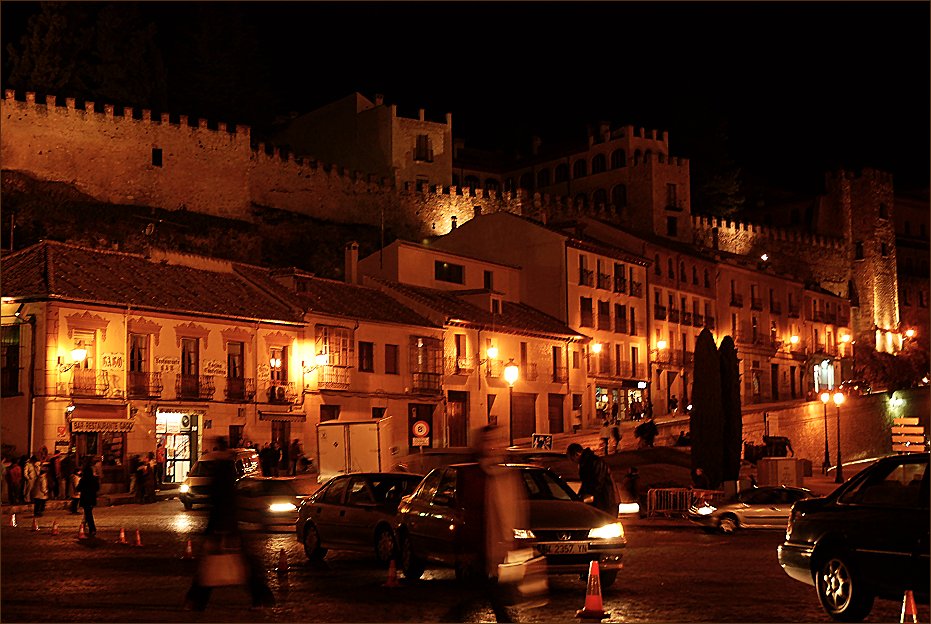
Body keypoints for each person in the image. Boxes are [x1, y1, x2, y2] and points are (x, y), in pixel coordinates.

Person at [184, 438, 275, 611]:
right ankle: (261, 595)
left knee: (214, 568)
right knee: (237, 567)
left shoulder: (222, 473)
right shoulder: (227, 472)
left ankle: (196, 601)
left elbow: (219, 504)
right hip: (227, 527)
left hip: (223, 529)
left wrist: (216, 530)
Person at [566, 443, 618, 516]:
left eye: (571, 458)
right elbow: (586, 484)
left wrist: (586, 495)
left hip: (607, 501)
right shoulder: (585, 463)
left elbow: (597, 482)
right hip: (601, 501)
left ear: (577, 454)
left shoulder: (594, 462)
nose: (572, 461)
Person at [77, 458, 100, 538]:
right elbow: (97, 488)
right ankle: (84, 525)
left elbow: (78, 488)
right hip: (92, 498)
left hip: (85, 498)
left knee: (88, 514)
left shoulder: (83, 480)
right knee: (88, 513)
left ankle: (92, 529)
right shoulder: (94, 479)